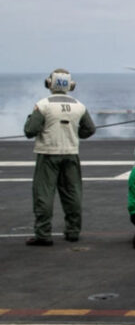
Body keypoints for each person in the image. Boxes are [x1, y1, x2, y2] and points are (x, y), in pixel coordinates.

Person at [23, 68, 96, 246]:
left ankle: (43, 234)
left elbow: (29, 131)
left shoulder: (43, 104)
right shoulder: (79, 105)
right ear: (70, 85)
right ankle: (73, 231)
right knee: (72, 194)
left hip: (48, 154)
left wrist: (30, 118)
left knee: (44, 195)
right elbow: (90, 129)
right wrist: (74, 134)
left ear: (50, 83)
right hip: (71, 154)